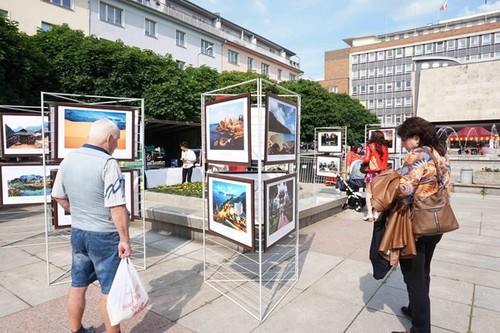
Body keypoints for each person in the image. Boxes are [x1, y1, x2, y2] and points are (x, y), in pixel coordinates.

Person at [52, 118, 131, 333]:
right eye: (116, 141)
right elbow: (116, 206)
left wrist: (78, 213)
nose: (115, 146)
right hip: (105, 237)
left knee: (78, 285)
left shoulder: (69, 158)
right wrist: (124, 239)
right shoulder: (108, 163)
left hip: (79, 233)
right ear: (108, 138)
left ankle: (76, 331)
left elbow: (58, 195)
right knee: (110, 291)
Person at [391, 117, 451, 333]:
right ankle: (416, 310)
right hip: (437, 221)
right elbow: (447, 186)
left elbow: (405, 190)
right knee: (423, 271)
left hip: (416, 224)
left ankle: (420, 329)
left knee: (413, 276)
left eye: (404, 139)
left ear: (415, 138)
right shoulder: (439, 154)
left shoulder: (417, 154)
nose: (403, 144)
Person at [363, 130, 389, 222]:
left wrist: (364, 161)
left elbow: (366, 159)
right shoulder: (385, 147)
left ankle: (369, 213)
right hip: (382, 173)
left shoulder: (370, 146)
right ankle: (377, 213)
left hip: (372, 172)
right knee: (378, 194)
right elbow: (386, 161)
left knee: (369, 193)